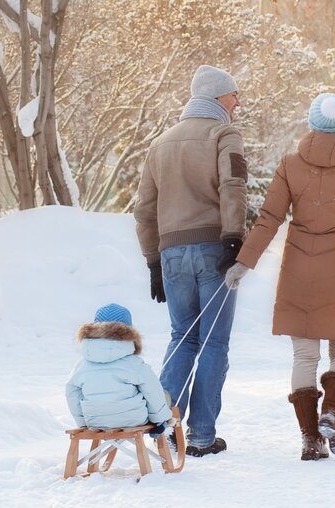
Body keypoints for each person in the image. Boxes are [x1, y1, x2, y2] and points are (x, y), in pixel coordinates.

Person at [224, 92, 335, 461]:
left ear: (312, 122)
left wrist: (243, 263)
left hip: (299, 270)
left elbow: (269, 218)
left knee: (304, 355)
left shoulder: (290, 164)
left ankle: (310, 438)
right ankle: (332, 412)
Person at [134, 65, 248, 457]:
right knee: (214, 340)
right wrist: (234, 237)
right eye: (234, 95)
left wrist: (153, 261)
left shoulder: (160, 143)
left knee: (183, 336)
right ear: (217, 97)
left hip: (171, 254)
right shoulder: (224, 134)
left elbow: (143, 210)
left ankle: (162, 425)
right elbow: (234, 185)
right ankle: (200, 435)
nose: (238, 102)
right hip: (214, 249)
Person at [65, 304, 173, 437]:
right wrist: (159, 419)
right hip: (133, 419)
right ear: (129, 332)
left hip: (95, 420)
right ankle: (161, 427)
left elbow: (72, 393)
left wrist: (82, 422)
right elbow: (152, 391)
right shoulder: (134, 364)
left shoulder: (82, 365)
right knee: (163, 395)